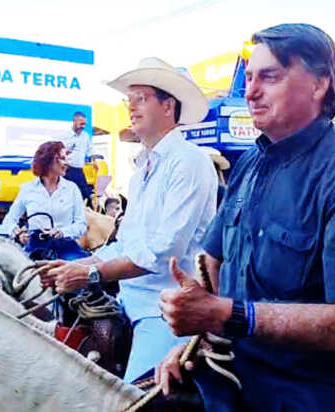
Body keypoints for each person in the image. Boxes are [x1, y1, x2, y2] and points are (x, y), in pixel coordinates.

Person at [156, 24, 335, 411]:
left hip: (317, 396)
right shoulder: (249, 166)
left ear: (319, 83)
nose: (251, 92)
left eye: (269, 77)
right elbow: (213, 263)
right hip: (232, 379)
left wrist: (226, 314)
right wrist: (197, 340)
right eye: (250, 78)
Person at [40, 57, 217, 382]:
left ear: (168, 106)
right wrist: (74, 266)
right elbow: (127, 244)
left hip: (163, 310)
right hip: (127, 300)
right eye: (129, 100)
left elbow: (164, 252)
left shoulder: (189, 163)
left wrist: (90, 272)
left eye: (141, 99)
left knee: (133, 401)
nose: (130, 108)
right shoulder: (143, 172)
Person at [2, 141, 88, 261]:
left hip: (65, 246)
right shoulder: (28, 189)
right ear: (48, 162)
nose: (66, 163)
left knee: (81, 269)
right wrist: (18, 234)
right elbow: (9, 221)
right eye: (62, 158)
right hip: (36, 246)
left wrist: (63, 232)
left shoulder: (72, 189)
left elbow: (81, 225)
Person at [61, 111, 93, 200]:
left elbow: (90, 150)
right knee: (67, 194)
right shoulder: (65, 135)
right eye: (81, 123)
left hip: (79, 170)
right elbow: (58, 150)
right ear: (74, 121)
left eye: (84, 124)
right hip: (67, 170)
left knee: (84, 194)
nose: (83, 126)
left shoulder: (85, 136)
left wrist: (95, 157)